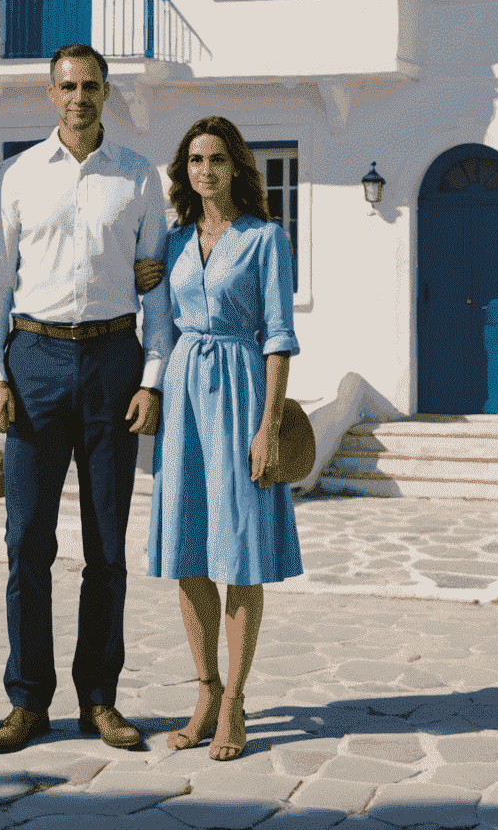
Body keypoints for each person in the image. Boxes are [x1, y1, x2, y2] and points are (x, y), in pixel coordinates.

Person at [0, 44, 170, 753]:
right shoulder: (15, 176)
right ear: (49, 94)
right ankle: (27, 702)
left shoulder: (141, 177)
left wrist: (151, 378)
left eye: (90, 86)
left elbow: (157, 291)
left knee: (107, 547)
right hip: (36, 361)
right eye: (66, 86)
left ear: (106, 92)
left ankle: (99, 700)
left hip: (115, 363)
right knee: (27, 541)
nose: (78, 97)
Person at [148, 115, 301, 762]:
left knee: (238, 553)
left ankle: (235, 700)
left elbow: (279, 337)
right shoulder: (174, 241)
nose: (204, 170)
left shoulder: (266, 239)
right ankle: (205, 691)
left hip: (241, 394)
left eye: (216, 159)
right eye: (193, 160)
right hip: (184, 390)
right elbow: (156, 321)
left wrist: (267, 427)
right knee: (187, 551)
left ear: (237, 166)